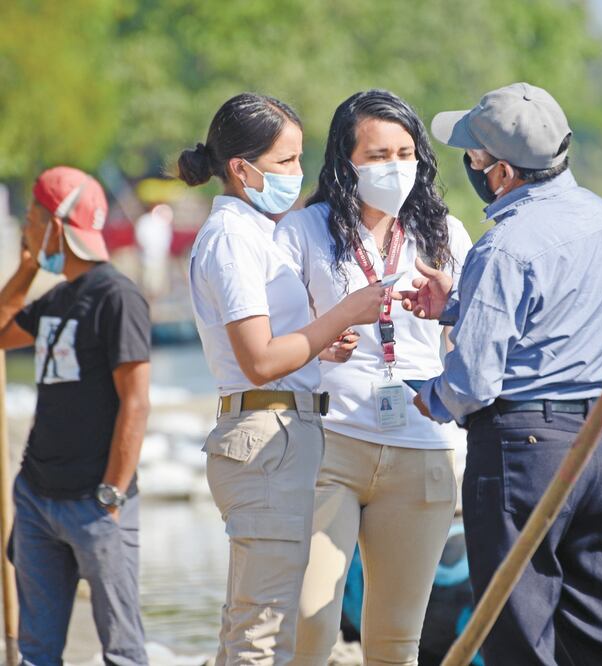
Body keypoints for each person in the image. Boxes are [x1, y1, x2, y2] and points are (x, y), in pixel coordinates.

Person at [397, 82, 602, 666]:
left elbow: (473, 384)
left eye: (473, 156)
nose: (469, 165)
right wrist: (461, 302)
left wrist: (430, 399)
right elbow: (566, 316)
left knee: (518, 627)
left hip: (523, 448)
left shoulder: (505, 246)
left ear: (501, 173)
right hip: (598, 443)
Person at [178, 92, 384, 665]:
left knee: (260, 618)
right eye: (284, 163)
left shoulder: (256, 233)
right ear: (241, 169)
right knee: (264, 629)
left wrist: (323, 346)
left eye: (298, 159)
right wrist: (345, 313)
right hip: (265, 435)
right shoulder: (233, 240)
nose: (298, 175)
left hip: (281, 430)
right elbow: (260, 361)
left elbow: (279, 351)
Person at [274, 89, 472, 666]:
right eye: (378, 154)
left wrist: (450, 308)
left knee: (395, 641)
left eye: (405, 152)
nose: (394, 166)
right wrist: (319, 340)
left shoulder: (445, 233)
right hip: (330, 442)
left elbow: (468, 347)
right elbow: (278, 338)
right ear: (346, 161)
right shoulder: (305, 231)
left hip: (423, 447)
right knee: (311, 623)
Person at [0, 166, 151, 665]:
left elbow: (136, 400)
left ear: (55, 226)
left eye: (30, 217)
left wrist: (111, 493)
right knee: (38, 650)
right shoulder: (57, 298)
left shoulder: (117, 296)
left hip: (96, 502)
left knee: (122, 651)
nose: (24, 227)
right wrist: (25, 269)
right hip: (39, 499)